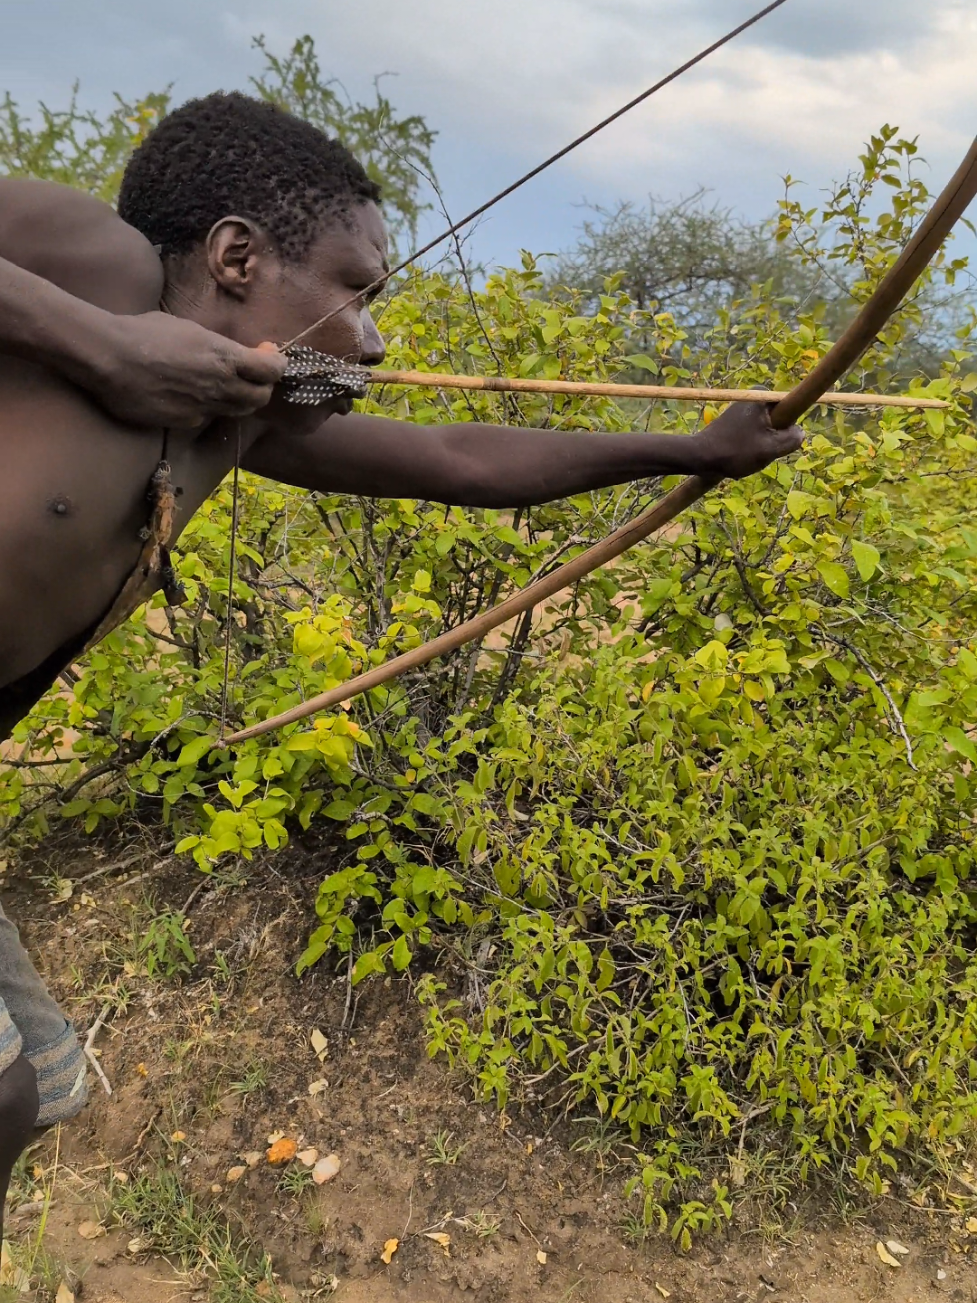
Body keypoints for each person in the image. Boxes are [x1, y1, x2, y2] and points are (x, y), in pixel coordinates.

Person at [0, 91, 804, 1231]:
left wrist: (689, 448)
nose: (372, 334)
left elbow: (451, 449)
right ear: (235, 256)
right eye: (354, 289)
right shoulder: (94, 262)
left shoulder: (249, 414)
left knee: (42, 1086)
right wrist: (109, 347)